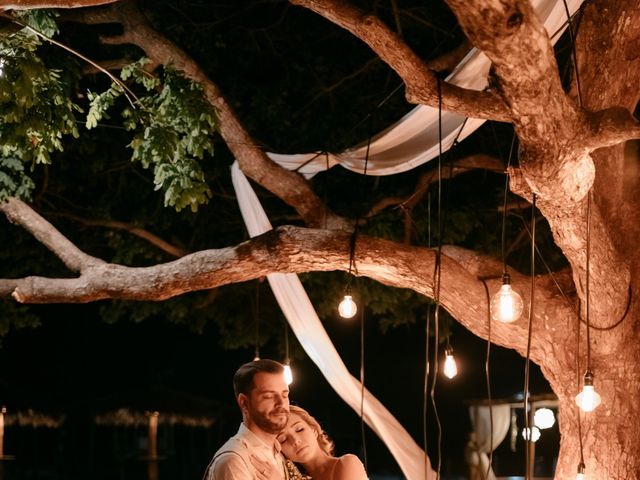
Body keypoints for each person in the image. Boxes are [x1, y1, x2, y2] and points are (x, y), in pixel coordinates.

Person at [204, 359, 292, 480]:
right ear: (244, 403)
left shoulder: (279, 451)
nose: (281, 403)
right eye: (269, 396)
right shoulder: (234, 461)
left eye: (285, 395)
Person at [250, 405, 368, 480]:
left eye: (300, 429)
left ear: (314, 430)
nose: (295, 441)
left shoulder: (347, 463)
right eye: (283, 439)